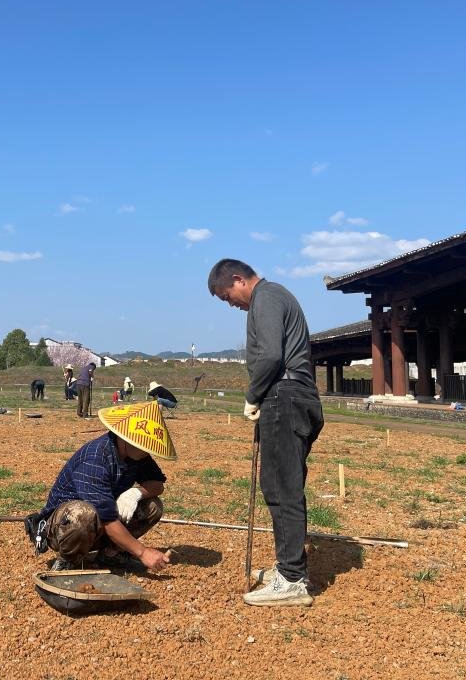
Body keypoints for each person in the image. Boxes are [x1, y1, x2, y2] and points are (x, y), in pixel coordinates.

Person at [208, 258, 324, 607]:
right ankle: (290, 569)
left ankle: (291, 579)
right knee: (279, 483)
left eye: (228, 296)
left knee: (281, 486)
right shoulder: (272, 297)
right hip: (291, 396)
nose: (231, 304)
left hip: (284, 396)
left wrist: (252, 394)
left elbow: (272, 355)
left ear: (239, 280)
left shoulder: (267, 297)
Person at [25, 401, 176, 572]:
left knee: (153, 506)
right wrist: (142, 552)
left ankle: (110, 555)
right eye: (144, 445)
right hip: (64, 527)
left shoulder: (138, 456)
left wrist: (135, 493)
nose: (147, 451)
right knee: (83, 514)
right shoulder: (96, 458)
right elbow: (107, 519)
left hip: (101, 519)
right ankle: (69, 560)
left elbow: (157, 485)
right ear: (125, 438)